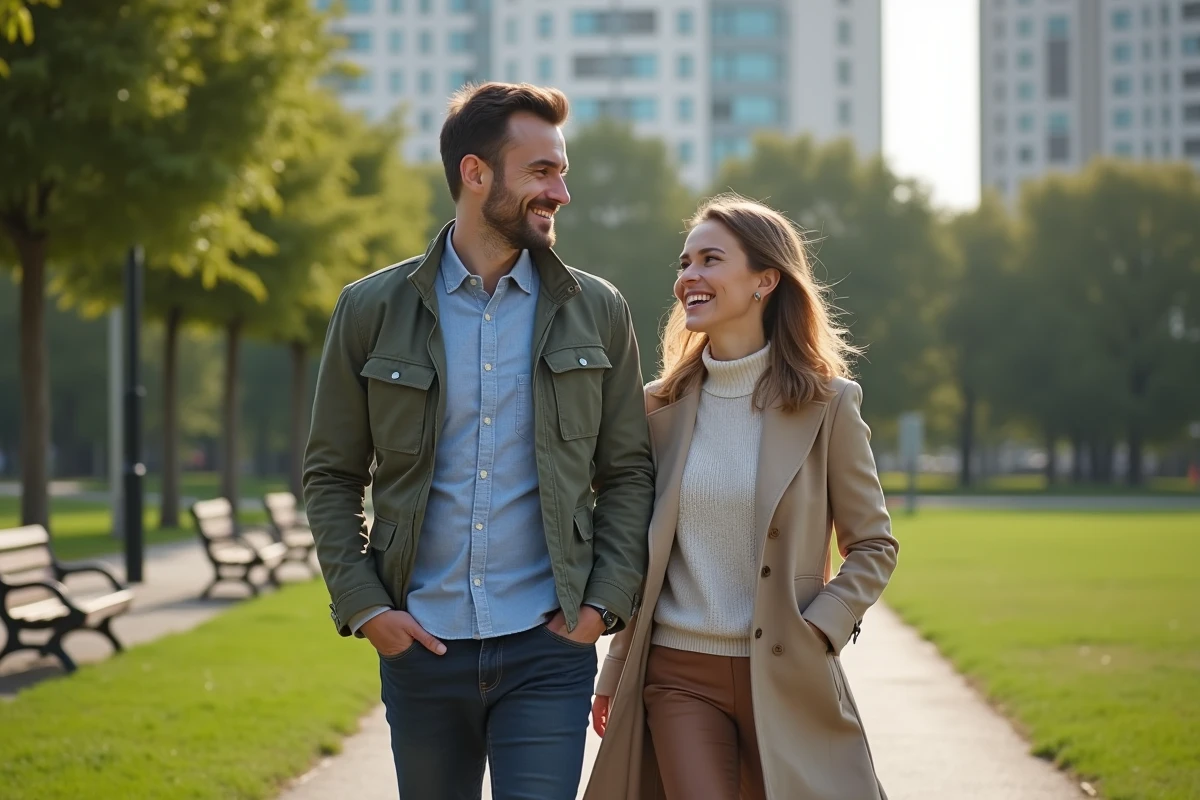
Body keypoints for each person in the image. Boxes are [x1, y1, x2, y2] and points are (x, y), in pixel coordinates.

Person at [303, 82, 654, 800]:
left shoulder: (598, 310)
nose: (560, 193)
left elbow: (627, 472)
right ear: (475, 173)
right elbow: (331, 473)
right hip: (422, 649)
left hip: (548, 649)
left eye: (561, 172)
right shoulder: (370, 309)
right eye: (541, 172)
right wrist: (366, 607)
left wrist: (601, 605)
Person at [584, 195, 899, 800]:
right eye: (684, 263)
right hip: (677, 675)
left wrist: (821, 628)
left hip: (787, 672)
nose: (689, 277)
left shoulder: (829, 404)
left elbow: (874, 545)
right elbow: (645, 555)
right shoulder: (657, 408)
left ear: (765, 280)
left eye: (710, 260)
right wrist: (616, 666)